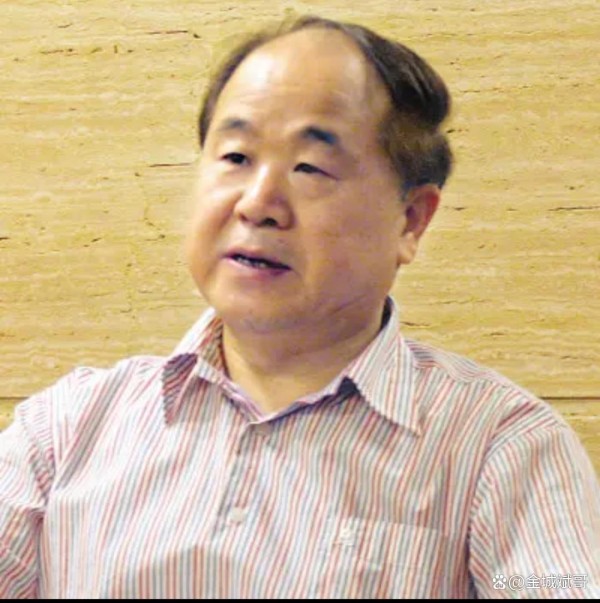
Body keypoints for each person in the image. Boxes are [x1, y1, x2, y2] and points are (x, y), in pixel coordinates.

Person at [0, 15, 598, 599]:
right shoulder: (65, 430)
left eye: (310, 168)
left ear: (410, 220)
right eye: (235, 157)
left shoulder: (502, 448)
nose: (258, 203)